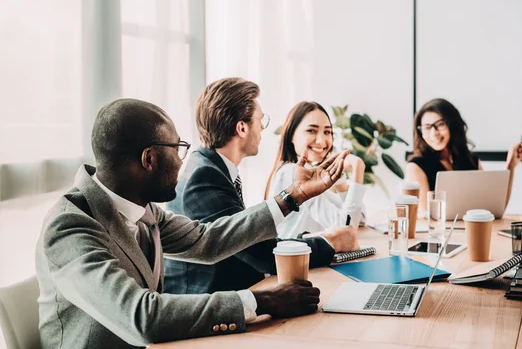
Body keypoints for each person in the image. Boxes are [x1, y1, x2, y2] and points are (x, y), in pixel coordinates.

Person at [35, 98, 349, 349]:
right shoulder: (71, 227)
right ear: (150, 159)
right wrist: (263, 300)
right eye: (178, 148)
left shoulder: (143, 210)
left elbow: (207, 240)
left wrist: (292, 196)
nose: (183, 160)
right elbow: (142, 316)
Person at [164, 78, 359, 295]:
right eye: (260, 121)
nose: (262, 129)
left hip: (232, 291)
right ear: (242, 128)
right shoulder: (205, 176)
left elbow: (247, 244)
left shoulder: (210, 166)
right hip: (206, 307)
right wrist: (329, 242)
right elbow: (261, 254)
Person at [265, 101, 367, 239]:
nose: (321, 141)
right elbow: (346, 229)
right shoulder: (292, 173)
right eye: (311, 130)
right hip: (297, 259)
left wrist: (340, 181)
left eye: (327, 132)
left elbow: (359, 219)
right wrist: (358, 167)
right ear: (291, 135)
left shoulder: (309, 171)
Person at [405, 98, 522, 211]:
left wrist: (510, 166)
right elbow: (427, 215)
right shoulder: (416, 166)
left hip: (472, 229)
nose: (433, 133)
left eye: (440, 124)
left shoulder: (470, 160)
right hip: (441, 232)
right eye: (427, 128)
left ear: (453, 125)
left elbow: (494, 208)